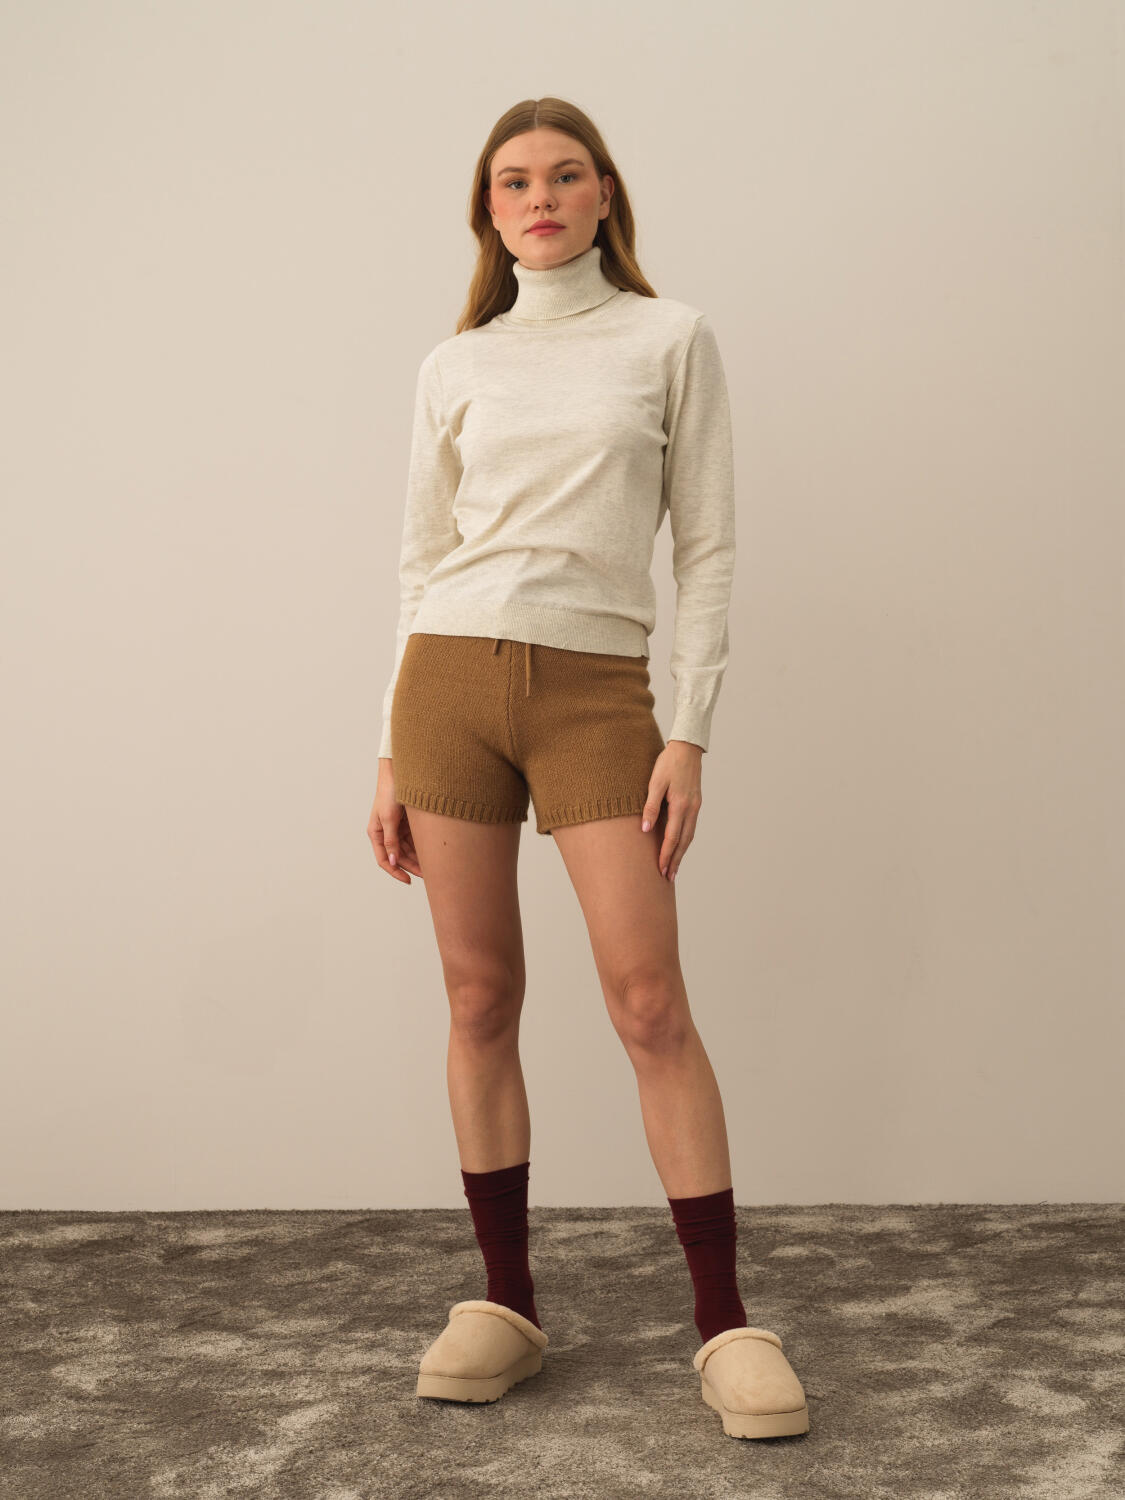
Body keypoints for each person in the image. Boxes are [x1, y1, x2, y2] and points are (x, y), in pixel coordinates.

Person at [366, 97, 809, 1441]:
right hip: (448, 684)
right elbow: (421, 560)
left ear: (604, 194)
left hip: (596, 693)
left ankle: (724, 1321)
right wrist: (388, 743)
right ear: (488, 210)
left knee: (646, 1001)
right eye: (514, 181)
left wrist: (690, 729)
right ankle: (506, 1301)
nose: (540, 198)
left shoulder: (668, 340)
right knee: (478, 995)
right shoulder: (457, 363)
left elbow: (707, 549)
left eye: (565, 176)